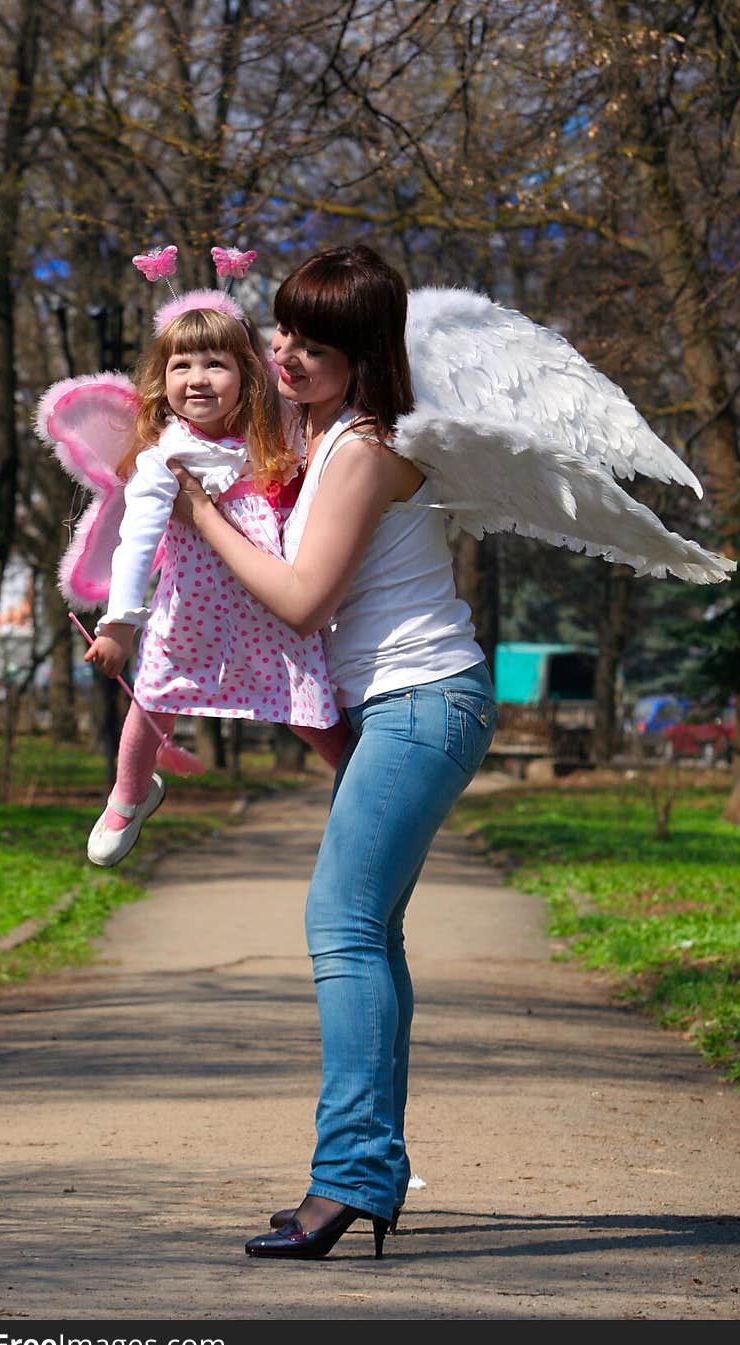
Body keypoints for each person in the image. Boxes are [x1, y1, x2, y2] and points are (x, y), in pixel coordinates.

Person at [169, 243, 497, 1259]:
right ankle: (371, 1171)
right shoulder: (323, 442)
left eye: (314, 346)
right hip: (398, 705)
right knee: (371, 935)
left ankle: (349, 1176)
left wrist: (202, 515)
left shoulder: (360, 447)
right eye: (282, 335)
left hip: (419, 698)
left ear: (363, 357)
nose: (285, 356)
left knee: (341, 927)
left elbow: (303, 598)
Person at [80, 289, 347, 867]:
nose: (197, 379)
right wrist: (121, 624)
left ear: (247, 376)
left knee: (304, 697)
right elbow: (136, 542)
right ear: (162, 378)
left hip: (269, 601)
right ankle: (128, 796)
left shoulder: (272, 439)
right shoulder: (164, 459)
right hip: (189, 606)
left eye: (215, 364)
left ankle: (360, 778)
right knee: (154, 698)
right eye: (181, 365)